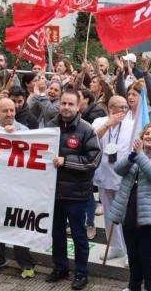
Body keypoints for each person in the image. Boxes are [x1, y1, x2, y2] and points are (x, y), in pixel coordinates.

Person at [45, 90, 102, 290]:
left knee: (79, 235)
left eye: (70, 104)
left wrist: (67, 161)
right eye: (63, 103)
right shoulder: (49, 127)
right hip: (54, 193)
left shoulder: (87, 130)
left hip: (77, 195)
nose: (66, 107)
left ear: (79, 107)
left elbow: (94, 160)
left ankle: (81, 273)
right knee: (57, 234)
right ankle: (60, 268)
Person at [109, 122, 151, 291]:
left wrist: (140, 155)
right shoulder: (136, 155)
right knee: (133, 255)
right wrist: (132, 156)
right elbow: (118, 169)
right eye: (147, 134)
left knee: (147, 257)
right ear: (142, 137)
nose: (150, 136)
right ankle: (133, 287)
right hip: (129, 212)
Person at [0, 98, 37, 278]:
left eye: (12, 110)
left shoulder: (24, 131)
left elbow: (31, 157)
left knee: (19, 224)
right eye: (5, 111)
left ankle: (25, 263)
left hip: (17, 188)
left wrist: (15, 137)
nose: (10, 114)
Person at [92, 95, 134, 264]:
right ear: (111, 108)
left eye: (126, 107)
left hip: (123, 175)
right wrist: (108, 124)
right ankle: (116, 247)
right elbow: (92, 139)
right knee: (109, 214)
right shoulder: (99, 121)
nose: (124, 110)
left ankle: (131, 251)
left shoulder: (132, 124)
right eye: (120, 107)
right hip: (104, 174)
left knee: (127, 216)